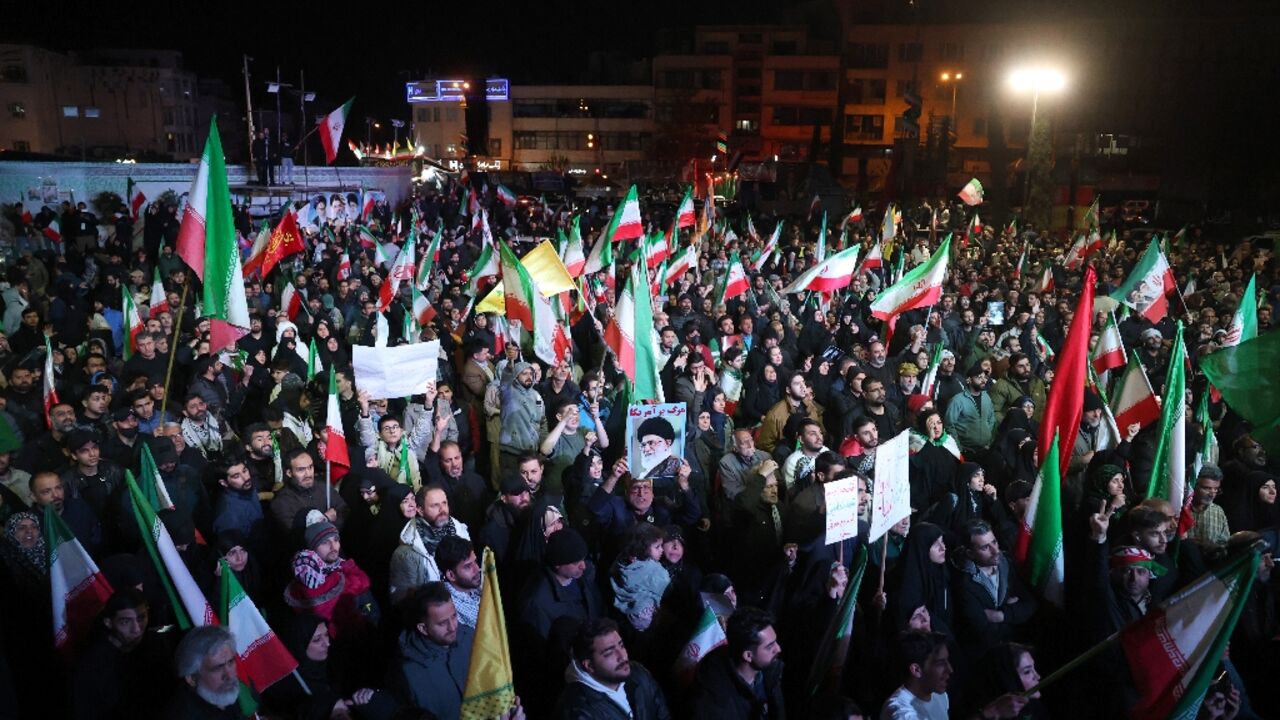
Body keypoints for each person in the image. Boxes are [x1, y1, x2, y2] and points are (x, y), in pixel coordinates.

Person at [388, 582, 476, 720]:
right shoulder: (407, 673)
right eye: (442, 623)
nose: (452, 627)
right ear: (423, 628)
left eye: (454, 616)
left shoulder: (471, 638)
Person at [554, 618, 671, 720]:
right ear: (589, 666)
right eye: (609, 653)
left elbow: (663, 715)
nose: (622, 656)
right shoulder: (575, 710)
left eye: (621, 646)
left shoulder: (638, 672)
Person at [691, 606, 786, 719]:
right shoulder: (714, 705)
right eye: (770, 646)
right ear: (748, 655)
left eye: (775, 642)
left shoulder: (768, 670)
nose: (778, 649)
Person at [163, 625, 241, 719]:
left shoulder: (223, 693)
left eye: (231, 662)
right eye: (217, 668)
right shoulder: (184, 714)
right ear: (191, 678)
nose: (229, 675)